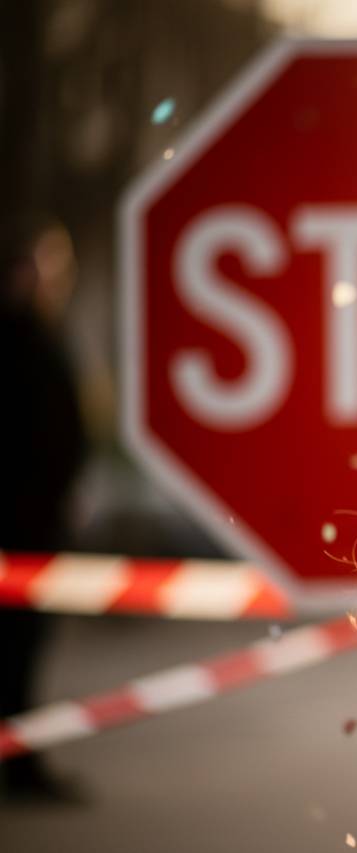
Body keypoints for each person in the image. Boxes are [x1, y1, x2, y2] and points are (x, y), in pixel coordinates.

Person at [0, 222, 90, 804]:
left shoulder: (44, 332)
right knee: (13, 652)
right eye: (49, 264)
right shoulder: (18, 339)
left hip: (39, 521)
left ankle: (22, 760)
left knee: (23, 655)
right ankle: (20, 766)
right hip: (19, 524)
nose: (59, 278)